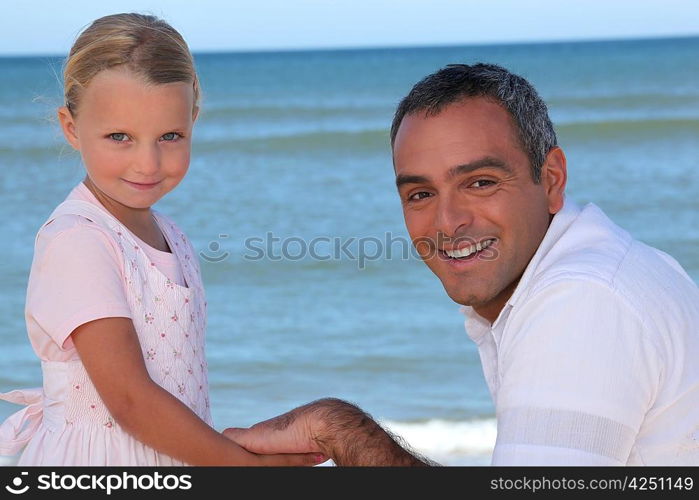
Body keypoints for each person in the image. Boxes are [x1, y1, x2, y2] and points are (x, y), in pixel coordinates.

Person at [223, 63, 699, 466]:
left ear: (551, 179)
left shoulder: (582, 302)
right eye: (421, 194)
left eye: (480, 183)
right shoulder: (610, 268)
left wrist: (346, 435)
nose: (447, 223)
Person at [0, 12, 323, 467]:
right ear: (71, 128)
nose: (148, 163)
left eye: (170, 136)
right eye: (120, 137)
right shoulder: (78, 241)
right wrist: (246, 469)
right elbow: (130, 400)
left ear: (194, 119)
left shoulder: (170, 234)